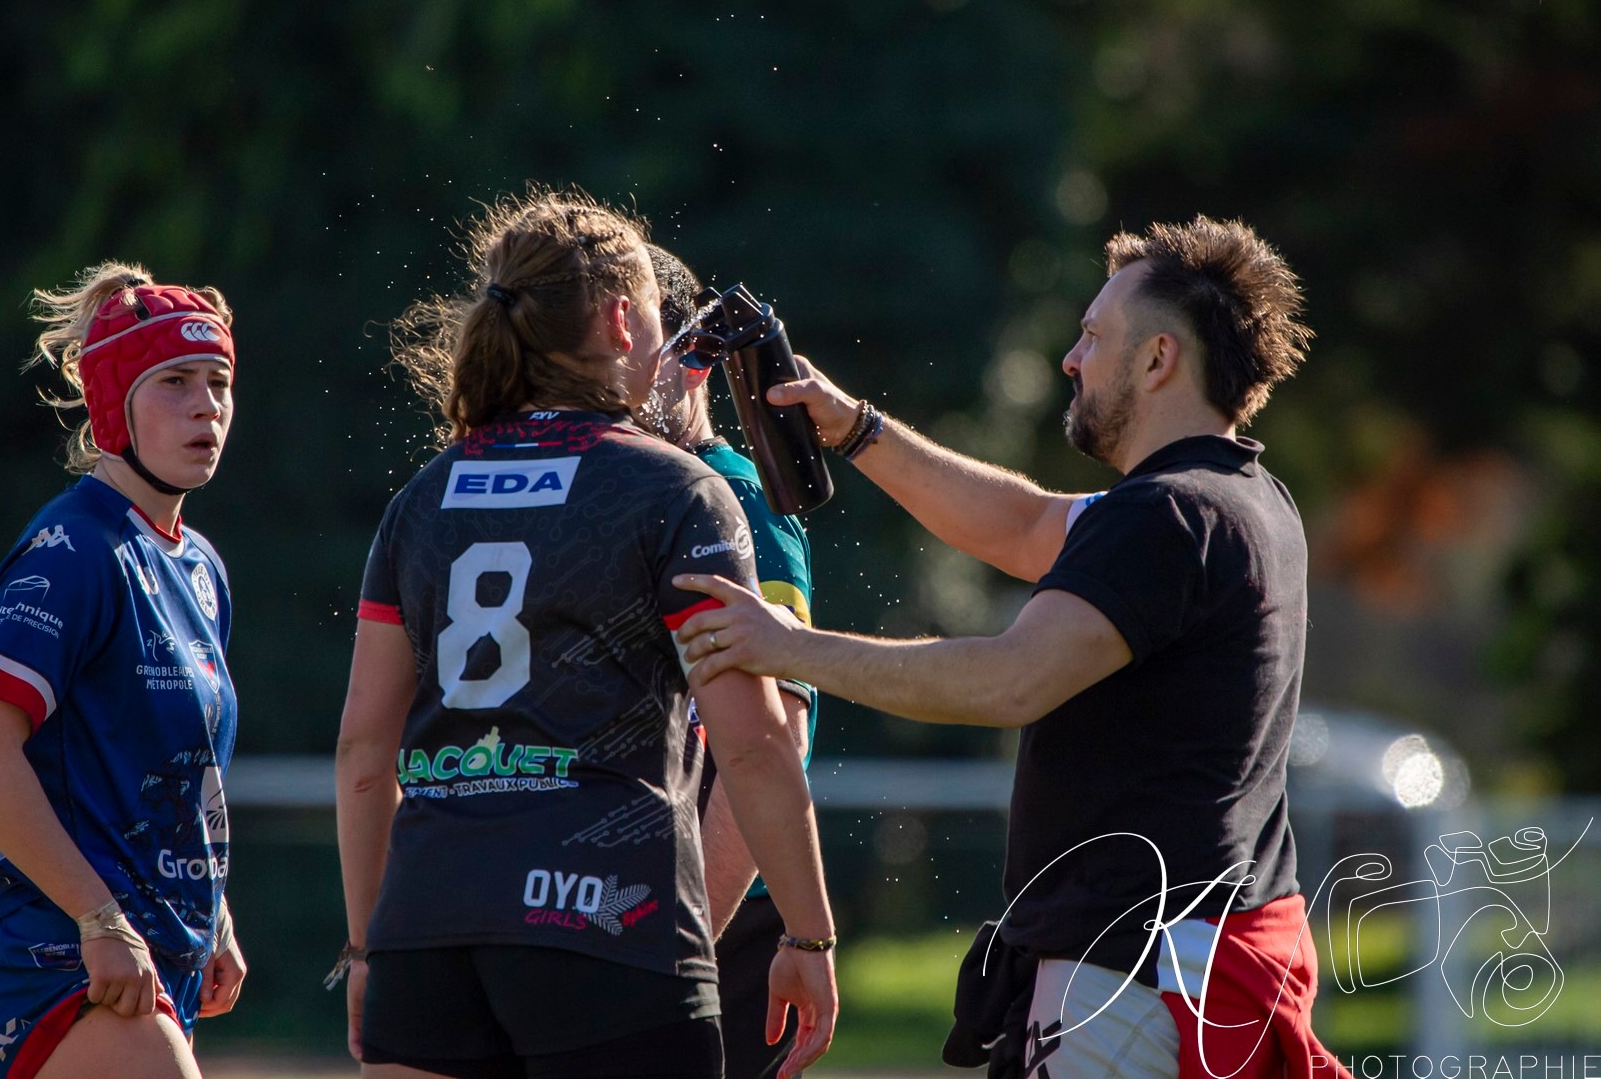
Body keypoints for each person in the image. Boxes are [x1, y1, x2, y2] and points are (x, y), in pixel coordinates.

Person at [675, 217, 1353, 1079]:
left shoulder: (1166, 516)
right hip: (1192, 959)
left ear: (1157, 360)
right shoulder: (1246, 496)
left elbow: (1007, 681)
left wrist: (785, 646)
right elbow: (1026, 521)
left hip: (1128, 981)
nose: (1072, 358)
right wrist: (854, 428)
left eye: (1093, 335)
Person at [333, 188, 837, 1079]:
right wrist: (807, 931)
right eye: (653, 312)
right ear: (617, 317)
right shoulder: (678, 491)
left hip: (427, 929)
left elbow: (365, 751)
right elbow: (756, 742)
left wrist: (372, 947)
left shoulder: (421, 497)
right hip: (606, 922)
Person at [0, 263, 246, 1079]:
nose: (206, 405)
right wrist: (99, 917)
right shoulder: (75, 549)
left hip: (151, 956)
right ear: (112, 405)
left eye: (218, 381)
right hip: (62, 955)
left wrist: (215, 919)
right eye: (175, 382)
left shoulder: (200, 567)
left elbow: (172, 772)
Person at [642, 245, 819, 1079]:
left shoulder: (736, 497)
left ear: (694, 359)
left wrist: (681, 957)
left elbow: (775, 737)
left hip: (717, 930)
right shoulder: (639, 487)